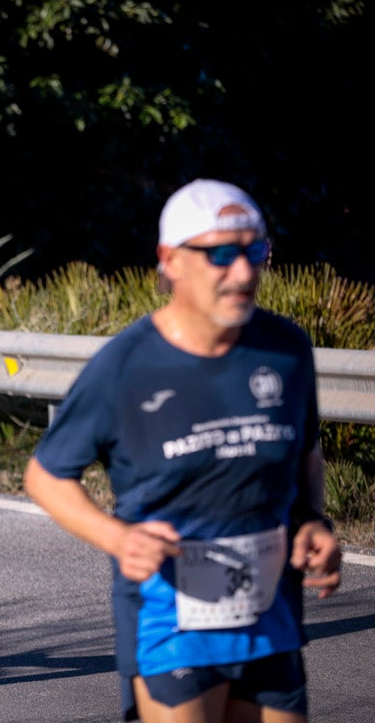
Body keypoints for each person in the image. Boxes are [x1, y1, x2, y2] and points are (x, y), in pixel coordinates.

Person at [23, 179, 342, 723]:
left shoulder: (286, 348)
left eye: (255, 250)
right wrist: (118, 537)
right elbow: (46, 476)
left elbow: (304, 449)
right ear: (170, 260)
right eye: (220, 253)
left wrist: (314, 519)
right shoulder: (127, 364)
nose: (243, 271)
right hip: (170, 614)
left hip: (271, 608)